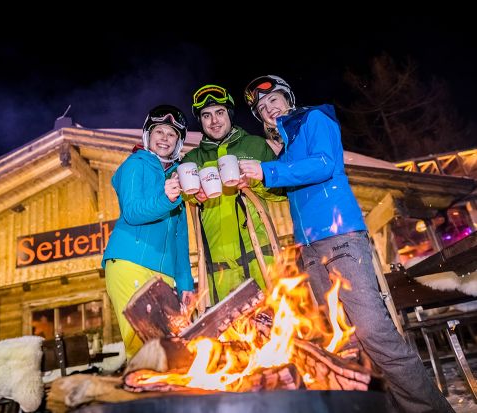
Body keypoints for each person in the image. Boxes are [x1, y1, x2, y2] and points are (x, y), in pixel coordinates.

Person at [240, 75, 455, 413]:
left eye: (274, 100)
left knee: (374, 333)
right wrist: (256, 175)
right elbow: (286, 183)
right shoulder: (285, 146)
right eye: (262, 108)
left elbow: (326, 164)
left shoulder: (314, 119)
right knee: (347, 340)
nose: (269, 109)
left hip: (339, 236)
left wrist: (267, 171)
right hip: (309, 249)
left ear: (289, 97)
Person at [102, 104, 195, 360]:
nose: (165, 138)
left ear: (178, 142)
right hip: (129, 261)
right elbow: (132, 212)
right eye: (159, 132)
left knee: (171, 343)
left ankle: (168, 395)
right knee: (144, 342)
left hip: (162, 273)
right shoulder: (136, 164)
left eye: (171, 134)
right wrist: (166, 196)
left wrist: (185, 284)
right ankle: (145, 393)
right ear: (148, 135)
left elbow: (180, 237)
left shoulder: (176, 177)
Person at [182, 84, 283, 305]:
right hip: (218, 266)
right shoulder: (192, 159)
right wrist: (192, 195)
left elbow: (282, 191)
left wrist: (254, 182)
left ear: (229, 114)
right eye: (206, 116)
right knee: (232, 333)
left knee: (276, 324)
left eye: (220, 112)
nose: (214, 120)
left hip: (260, 254)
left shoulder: (256, 146)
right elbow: (182, 196)